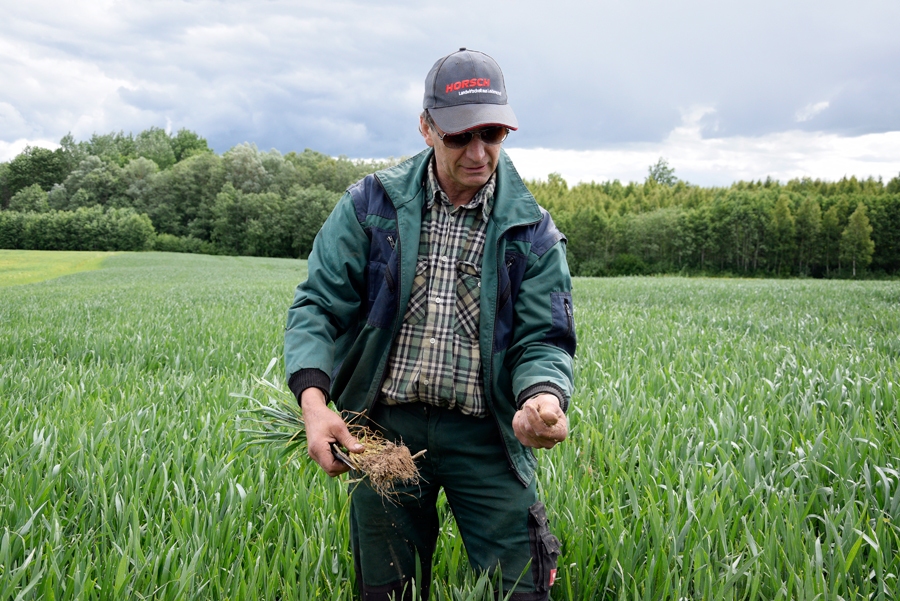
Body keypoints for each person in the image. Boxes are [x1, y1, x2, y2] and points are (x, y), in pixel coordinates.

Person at [284, 48, 576, 601]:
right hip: (386, 432)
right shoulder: (372, 206)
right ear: (426, 127)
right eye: (460, 135)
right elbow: (319, 306)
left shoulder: (531, 231)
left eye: (492, 134)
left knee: (520, 586)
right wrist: (315, 404)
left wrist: (541, 398)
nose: (478, 151)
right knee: (387, 589)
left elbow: (544, 338)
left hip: (486, 435)